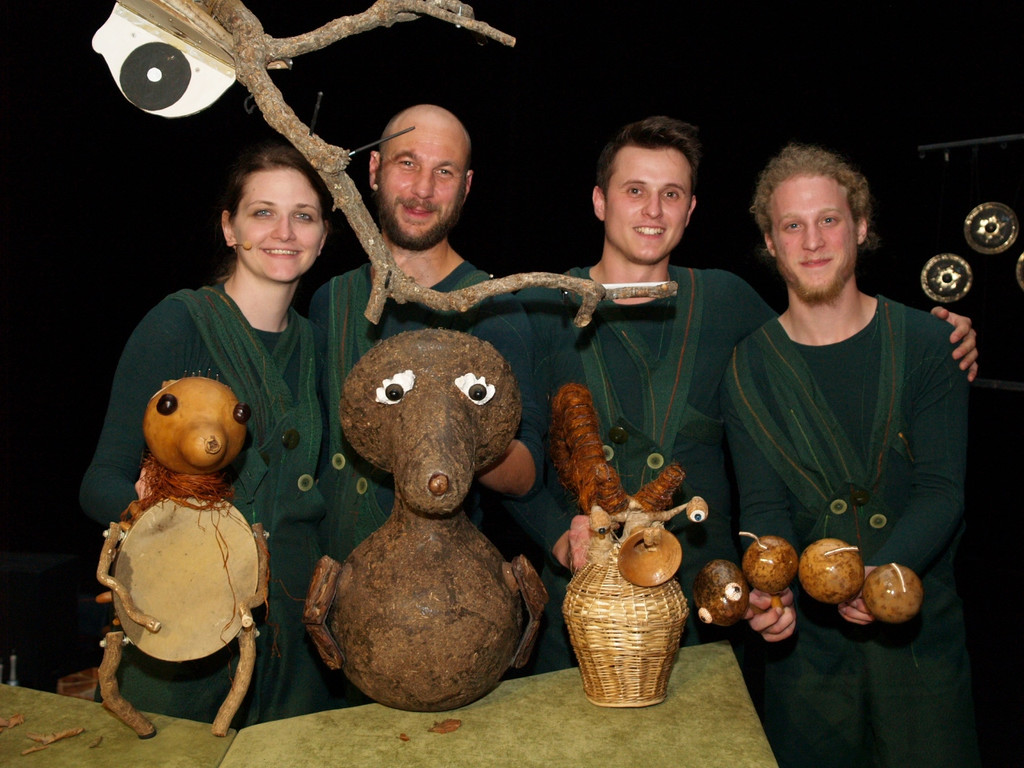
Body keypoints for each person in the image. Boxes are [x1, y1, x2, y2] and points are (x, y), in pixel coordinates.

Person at [509, 117, 979, 674]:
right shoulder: (542, 309)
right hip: (583, 605)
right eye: (635, 190)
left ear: (690, 210)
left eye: (671, 194)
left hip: (707, 607)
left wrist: (935, 337)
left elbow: (818, 335)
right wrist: (557, 536)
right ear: (599, 201)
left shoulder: (726, 300)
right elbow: (506, 456)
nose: (653, 210)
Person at [722, 144, 980, 767]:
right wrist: (771, 596)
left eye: (829, 220)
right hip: (808, 662)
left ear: (861, 227)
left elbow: (943, 491)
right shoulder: (748, 367)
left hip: (920, 646)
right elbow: (763, 509)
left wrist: (881, 572)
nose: (812, 241)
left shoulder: (932, 343)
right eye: (792, 225)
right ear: (771, 242)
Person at [80, 141, 345, 725]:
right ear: (229, 228)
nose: (284, 231)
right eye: (262, 212)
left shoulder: (321, 345)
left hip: (298, 637)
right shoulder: (178, 325)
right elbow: (101, 478)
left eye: (303, 216)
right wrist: (158, 527)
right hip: (185, 626)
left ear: (323, 236)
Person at [309, 104, 543, 566]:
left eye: (444, 172)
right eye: (407, 163)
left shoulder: (494, 309)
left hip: (437, 585)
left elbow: (526, 474)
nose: (423, 189)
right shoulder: (330, 300)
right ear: (374, 170)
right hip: (326, 577)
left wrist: (453, 431)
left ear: (466, 186)